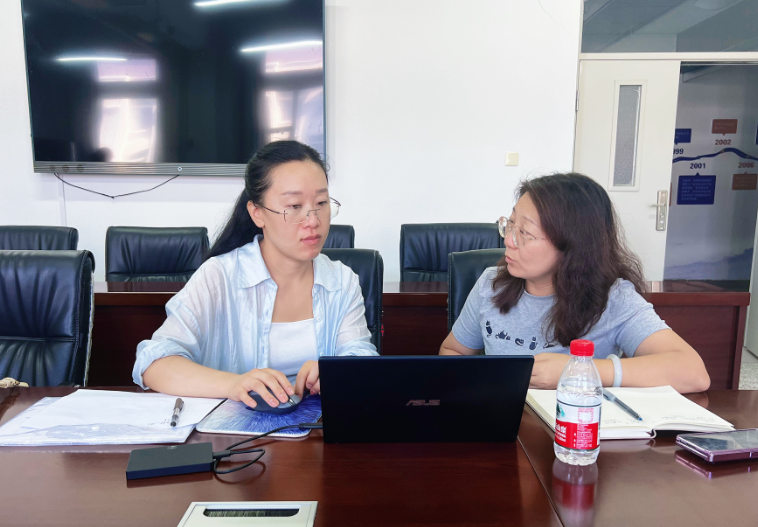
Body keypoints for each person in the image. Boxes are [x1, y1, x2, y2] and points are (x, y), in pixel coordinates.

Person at [133, 140, 377, 409]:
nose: (313, 220)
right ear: (257, 213)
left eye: (321, 202)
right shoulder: (219, 277)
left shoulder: (342, 280)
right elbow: (153, 363)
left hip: (318, 429)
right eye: (294, 206)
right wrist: (233, 384)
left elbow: (362, 355)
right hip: (232, 431)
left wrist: (339, 370)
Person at [440, 173, 711, 394]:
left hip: (577, 429)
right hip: (502, 424)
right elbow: (453, 350)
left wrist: (581, 370)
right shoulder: (492, 284)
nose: (508, 240)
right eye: (510, 224)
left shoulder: (613, 298)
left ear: (572, 245)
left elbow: (693, 373)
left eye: (524, 232)